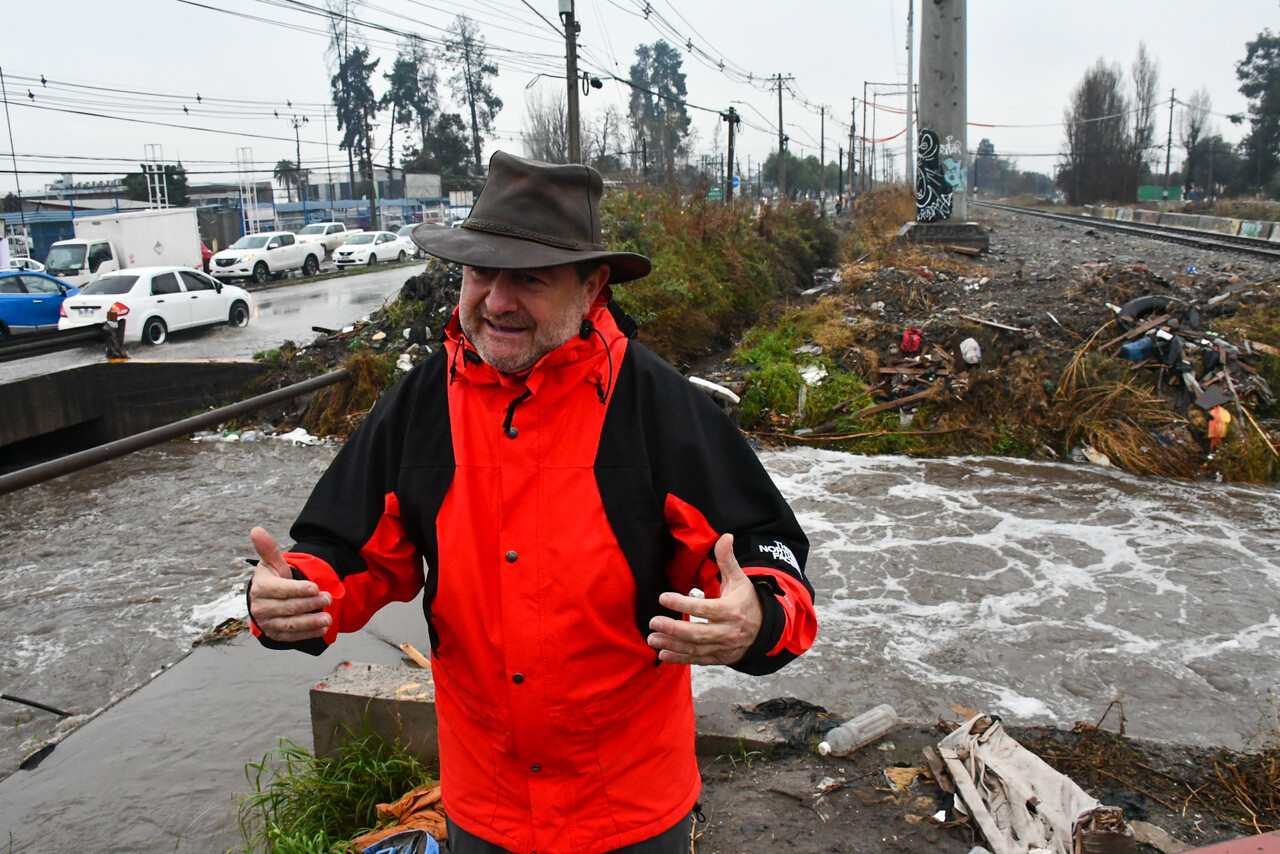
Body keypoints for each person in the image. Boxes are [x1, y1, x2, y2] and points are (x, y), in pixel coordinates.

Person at [247, 151, 817, 854]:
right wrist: (294, 597)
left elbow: (766, 553)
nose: (497, 300)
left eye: (530, 278)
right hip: (485, 808)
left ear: (593, 284)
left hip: (631, 810)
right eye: (482, 272)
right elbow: (347, 554)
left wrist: (754, 615)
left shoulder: (656, 408)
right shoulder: (422, 407)